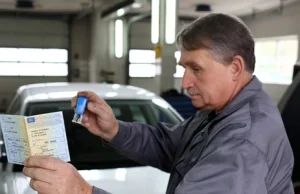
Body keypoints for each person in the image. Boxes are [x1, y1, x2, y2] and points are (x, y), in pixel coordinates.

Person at [22, 13, 294, 194]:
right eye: (183, 68)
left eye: (196, 69)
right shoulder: (219, 110)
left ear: (235, 67)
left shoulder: (242, 143)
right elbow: (170, 146)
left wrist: (80, 190)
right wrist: (114, 130)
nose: (185, 83)